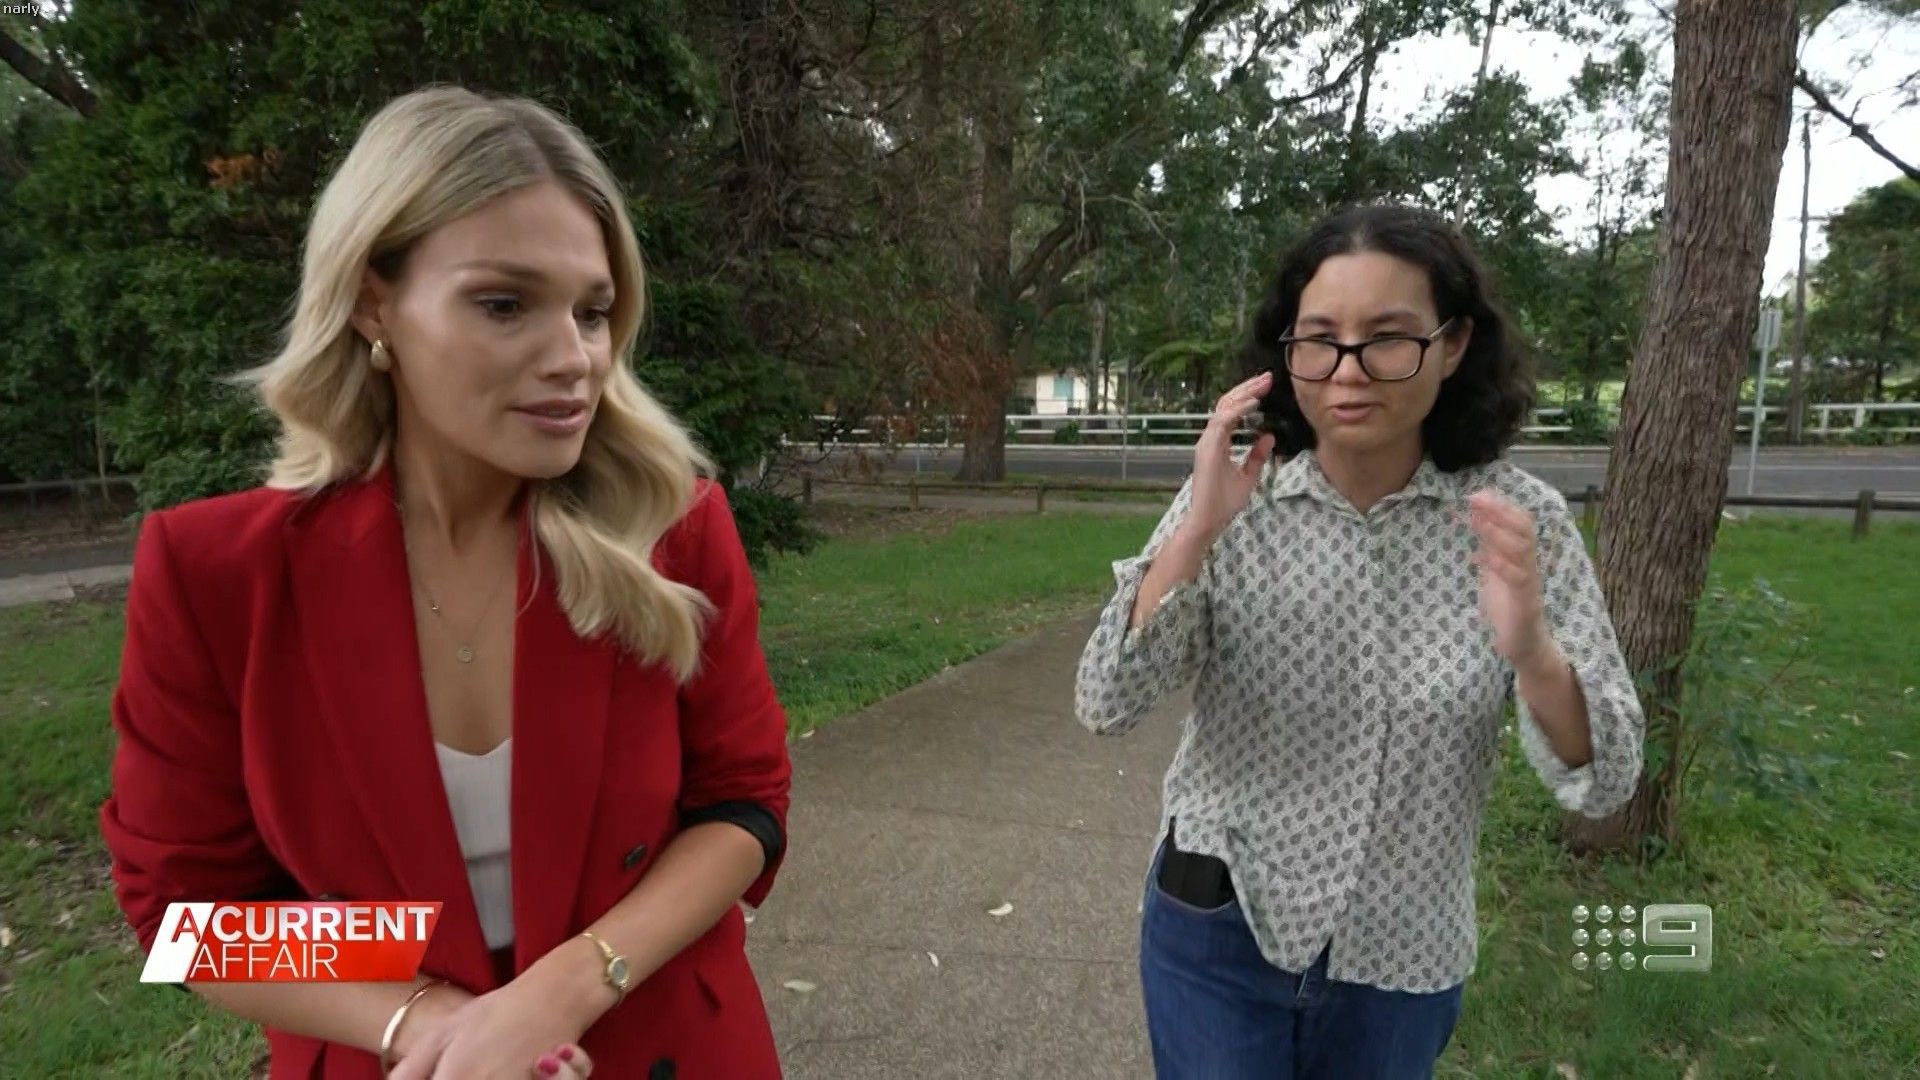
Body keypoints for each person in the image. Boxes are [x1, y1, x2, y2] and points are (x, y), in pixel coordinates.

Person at [98, 86, 791, 1079]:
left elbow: (746, 803)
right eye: (505, 304)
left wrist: (563, 991)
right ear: (373, 302)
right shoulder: (215, 574)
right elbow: (187, 910)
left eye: (593, 312)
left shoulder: (668, 531)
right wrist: (424, 1020)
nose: (574, 359)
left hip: (668, 1049)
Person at [1074, 203, 1645, 1079]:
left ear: (1453, 344)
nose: (1348, 371)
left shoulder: (1517, 522)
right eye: (1319, 340)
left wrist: (1533, 651)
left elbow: (1607, 777)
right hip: (1219, 926)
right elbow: (1105, 702)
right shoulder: (1239, 496)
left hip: (1401, 955)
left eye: (1387, 338)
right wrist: (1194, 535)